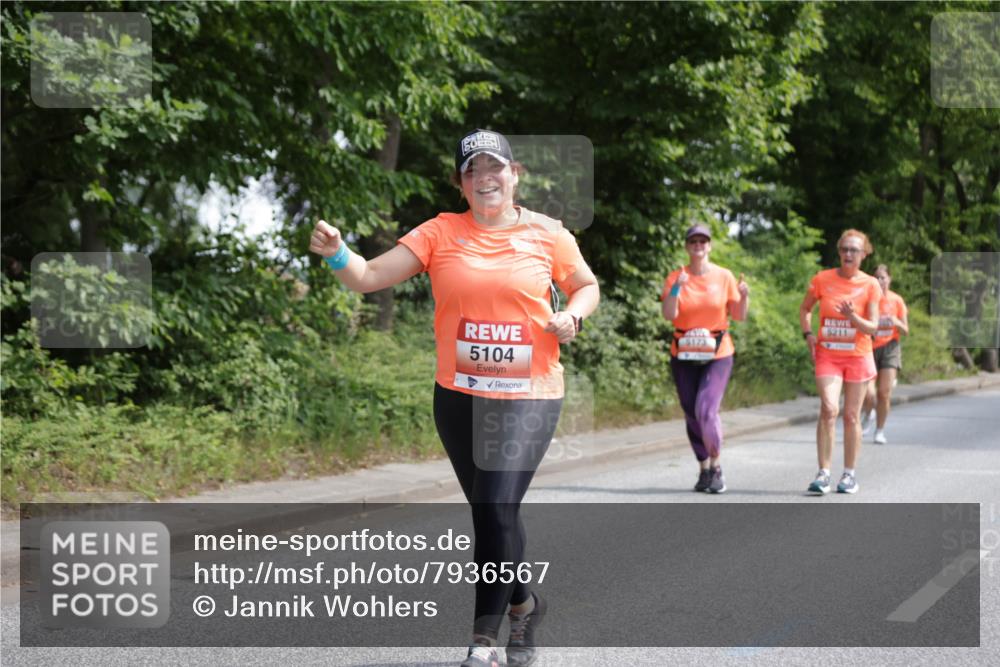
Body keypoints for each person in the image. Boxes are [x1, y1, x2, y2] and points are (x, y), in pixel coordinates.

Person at [309, 129, 599, 667]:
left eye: (494, 167)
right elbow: (369, 276)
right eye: (472, 170)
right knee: (494, 515)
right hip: (458, 397)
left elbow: (586, 285)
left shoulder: (548, 233)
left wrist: (574, 316)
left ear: (515, 174)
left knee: (494, 506)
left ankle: (482, 641)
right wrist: (337, 254)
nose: (484, 178)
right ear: (460, 183)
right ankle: (524, 605)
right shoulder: (440, 232)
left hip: (529, 394)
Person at [661, 224, 749, 494]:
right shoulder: (676, 276)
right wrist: (676, 289)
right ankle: (703, 469)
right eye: (693, 241)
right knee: (691, 413)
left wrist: (744, 296)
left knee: (706, 410)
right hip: (683, 353)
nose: (698, 245)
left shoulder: (724, 276)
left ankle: (717, 466)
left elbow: (739, 315)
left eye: (703, 241)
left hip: (717, 353)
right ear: (687, 247)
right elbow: (669, 314)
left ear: (709, 246)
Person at [799, 229, 880, 495]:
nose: (848, 254)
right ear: (839, 252)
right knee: (829, 408)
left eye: (854, 250)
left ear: (864, 254)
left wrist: (853, 317)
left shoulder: (871, 284)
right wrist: (808, 334)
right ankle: (823, 473)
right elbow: (805, 308)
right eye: (844, 249)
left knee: (851, 416)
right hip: (829, 354)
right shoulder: (822, 279)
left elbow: (873, 327)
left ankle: (849, 475)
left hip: (858, 356)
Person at [860, 264, 909, 444]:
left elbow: (906, 330)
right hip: (869, 347)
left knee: (884, 393)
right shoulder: (868, 299)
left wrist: (896, 321)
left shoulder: (896, 300)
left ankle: (879, 431)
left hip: (890, 348)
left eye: (883, 277)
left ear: (889, 279)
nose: (880, 281)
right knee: (869, 394)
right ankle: (868, 413)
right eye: (876, 277)